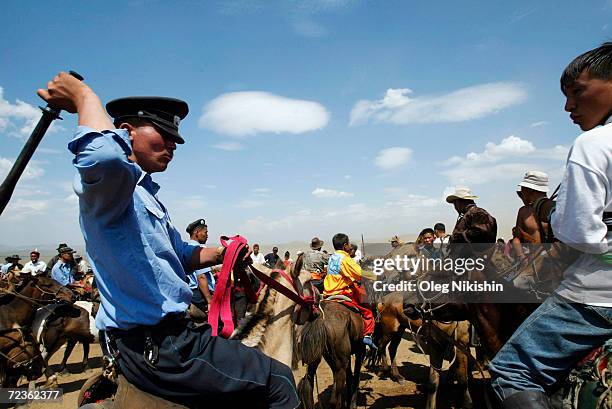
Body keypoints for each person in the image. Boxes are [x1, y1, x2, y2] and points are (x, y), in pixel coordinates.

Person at [37, 72, 297, 408]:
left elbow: (180, 253)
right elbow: (106, 156)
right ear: (126, 133)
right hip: (164, 344)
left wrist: (223, 253)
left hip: (167, 338)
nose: (173, 145)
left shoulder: (143, 194)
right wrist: (83, 95)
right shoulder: (112, 188)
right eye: (165, 134)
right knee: (279, 380)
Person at [489, 43, 612, 408]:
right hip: (553, 259)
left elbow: (577, 234)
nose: (568, 106)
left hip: (592, 286)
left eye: (577, 92)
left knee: (509, 372)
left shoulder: (592, 145)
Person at [324, 233, 376, 349]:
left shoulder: (333, 257)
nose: (349, 246)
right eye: (348, 244)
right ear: (345, 245)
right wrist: (377, 276)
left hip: (328, 292)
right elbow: (359, 273)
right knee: (367, 309)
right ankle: (367, 335)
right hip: (342, 291)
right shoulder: (345, 259)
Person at [446, 186, 497, 259]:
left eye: (455, 204)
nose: (455, 207)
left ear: (459, 202)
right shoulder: (468, 215)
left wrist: (459, 236)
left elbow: (481, 233)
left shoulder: (477, 213)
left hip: (475, 260)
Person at [511, 171, 550, 266]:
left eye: (523, 189)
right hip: (531, 263)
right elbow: (516, 239)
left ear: (530, 190)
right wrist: (522, 257)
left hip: (554, 263)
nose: (522, 191)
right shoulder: (523, 211)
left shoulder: (554, 208)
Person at [185, 219, 214, 317]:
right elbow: (201, 276)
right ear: (197, 233)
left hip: (192, 294)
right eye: (205, 232)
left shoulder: (186, 248)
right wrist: (209, 302)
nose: (207, 235)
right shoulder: (199, 251)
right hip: (201, 294)